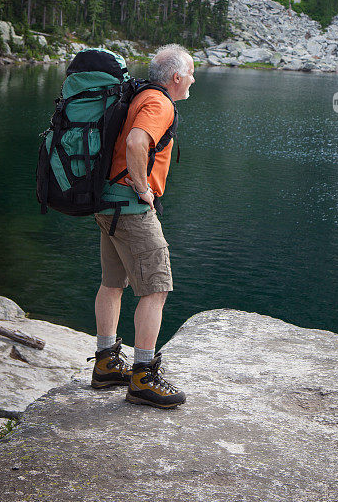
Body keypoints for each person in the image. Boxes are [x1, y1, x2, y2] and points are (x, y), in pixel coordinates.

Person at [89, 43, 195, 409]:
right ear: (176, 77)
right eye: (191, 74)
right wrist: (142, 187)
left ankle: (106, 363)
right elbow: (137, 142)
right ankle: (143, 375)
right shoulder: (159, 102)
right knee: (156, 288)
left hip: (106, 203)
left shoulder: (139, 95)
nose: (193, 80)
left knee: (112, 283)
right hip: (130, 208)